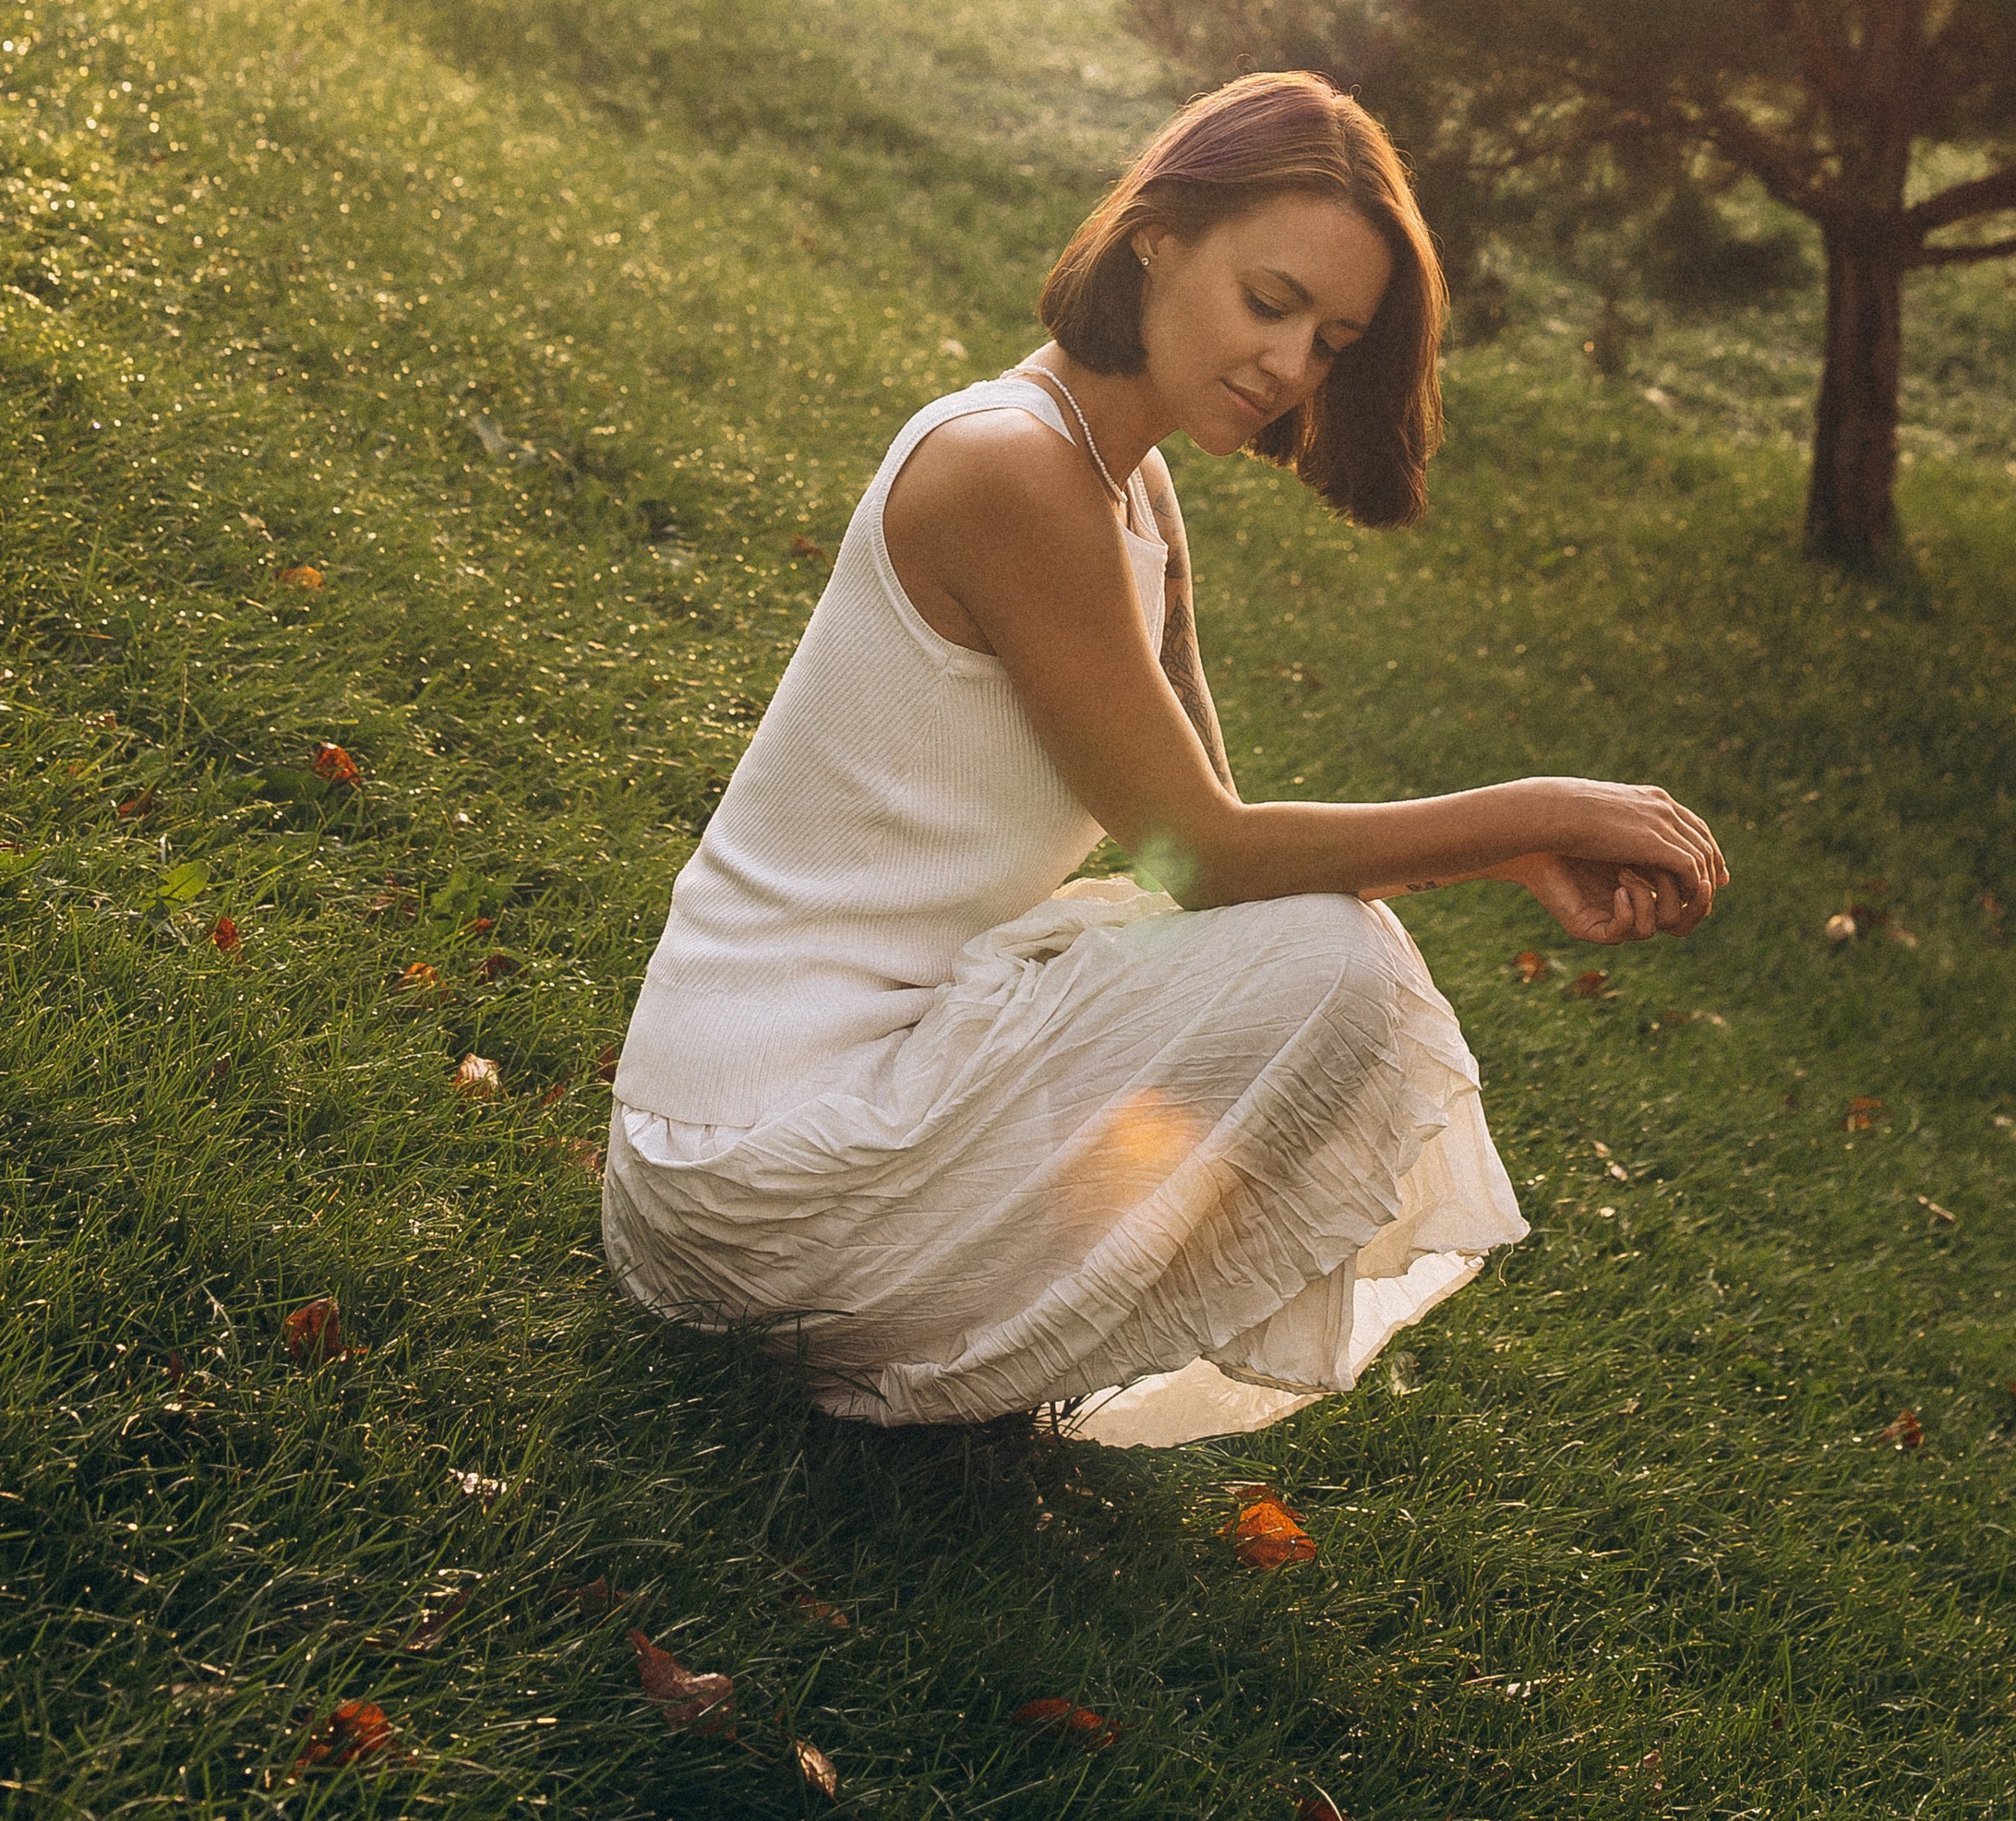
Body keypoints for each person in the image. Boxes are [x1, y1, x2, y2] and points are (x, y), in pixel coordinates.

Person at [603, 70, 1726, 1445]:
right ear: (1157, 236)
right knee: (1330, 964)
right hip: (739, 1168)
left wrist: (1514, 847)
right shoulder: (1010, 467)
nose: (1291, 365)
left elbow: (1213, 871)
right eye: (1271, 302)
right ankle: (903, 1335)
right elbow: (1214, 853)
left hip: (872, 1077)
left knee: (1314, 956)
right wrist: (1529, 814)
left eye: (1332, 340)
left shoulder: (1125, 481)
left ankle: (958, 1326)